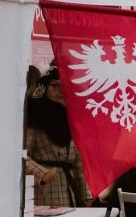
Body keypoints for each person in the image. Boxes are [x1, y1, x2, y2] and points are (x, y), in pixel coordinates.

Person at [25, 67, 92, 207]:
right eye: (55, 85)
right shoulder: (35, 119)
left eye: (65, 86)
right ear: (43, 88)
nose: (61, 91)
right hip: (44, 193)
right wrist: (41, 173)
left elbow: (79, 161)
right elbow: (21, 155)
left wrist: (86, 194)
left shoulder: (72, 119)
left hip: (71, 191)